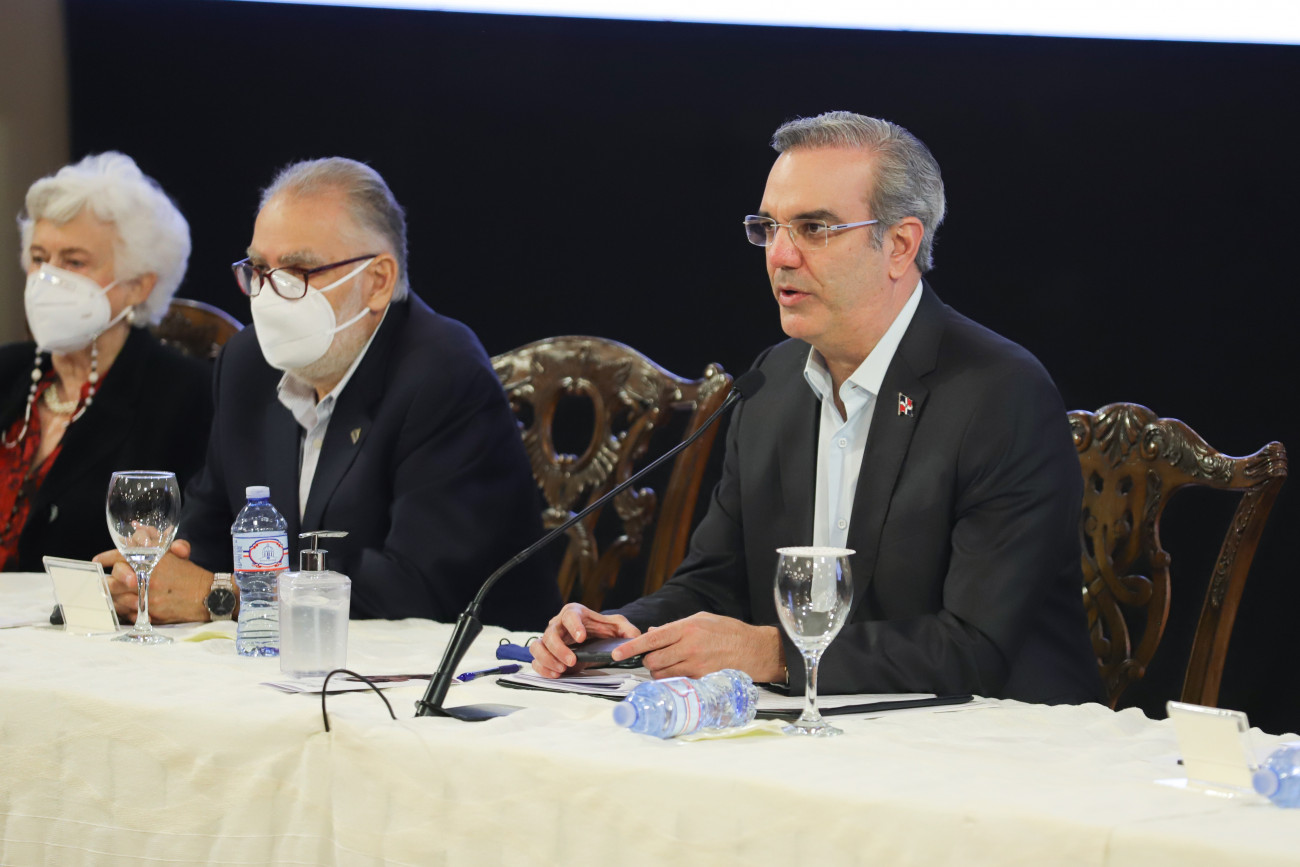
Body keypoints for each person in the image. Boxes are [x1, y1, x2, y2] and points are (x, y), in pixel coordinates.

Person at [532, 112, 1103, 704]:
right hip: (825, 725)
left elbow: (974, 648)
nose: (780, 255)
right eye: (769, 227)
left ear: (900, 245)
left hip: (996, 735)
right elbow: (715, 583)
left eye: (813, 228)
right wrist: (619, 634)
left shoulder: (1001, 394)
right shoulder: (772, 383)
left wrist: (777, 654)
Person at [97, 157, 559, 630]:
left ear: (377, 282)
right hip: (291, 657)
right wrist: (155, 574)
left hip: (470, 662)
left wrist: (224, 596)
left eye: (298, 270)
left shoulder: (444, 374)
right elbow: (210, 533)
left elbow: (416, 590)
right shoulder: (247, 364)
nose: (268, 294)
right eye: (260, 268)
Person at [1, 153, 212, 572]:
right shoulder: (6, 370)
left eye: (74, 262)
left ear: (138, 285)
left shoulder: (187, 397)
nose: (47, 278)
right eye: (39, 258)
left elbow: (192, 549)